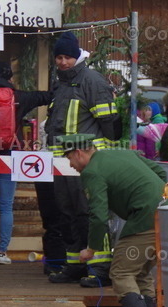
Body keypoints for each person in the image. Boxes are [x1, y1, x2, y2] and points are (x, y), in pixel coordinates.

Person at [62, 134, 168, 307]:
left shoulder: (92, 172)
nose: (71, 165)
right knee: (139, 273)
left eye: (69, 159)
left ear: (79, 153)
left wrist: (91, 249)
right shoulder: (122, 152)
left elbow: (98, 215)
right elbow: (160, 172)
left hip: (145, 218)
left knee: (121, 272)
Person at [44, 31, 118, 288]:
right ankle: (74, 264)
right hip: (62, 162)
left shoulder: (93, 81)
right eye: (59, 57)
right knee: (68, 215)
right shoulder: (61, 84)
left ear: (77, 57)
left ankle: (100, 267)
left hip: (88, 161)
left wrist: (104, 158)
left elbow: (109, 123)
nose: (63, 62)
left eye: (67, 57)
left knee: (91, 213)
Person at [0, 61, 52, 265]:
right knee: (6, 205)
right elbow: (47, 96)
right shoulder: (20, 96)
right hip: (11, 152)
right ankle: (1, 253)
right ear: (10, 79)